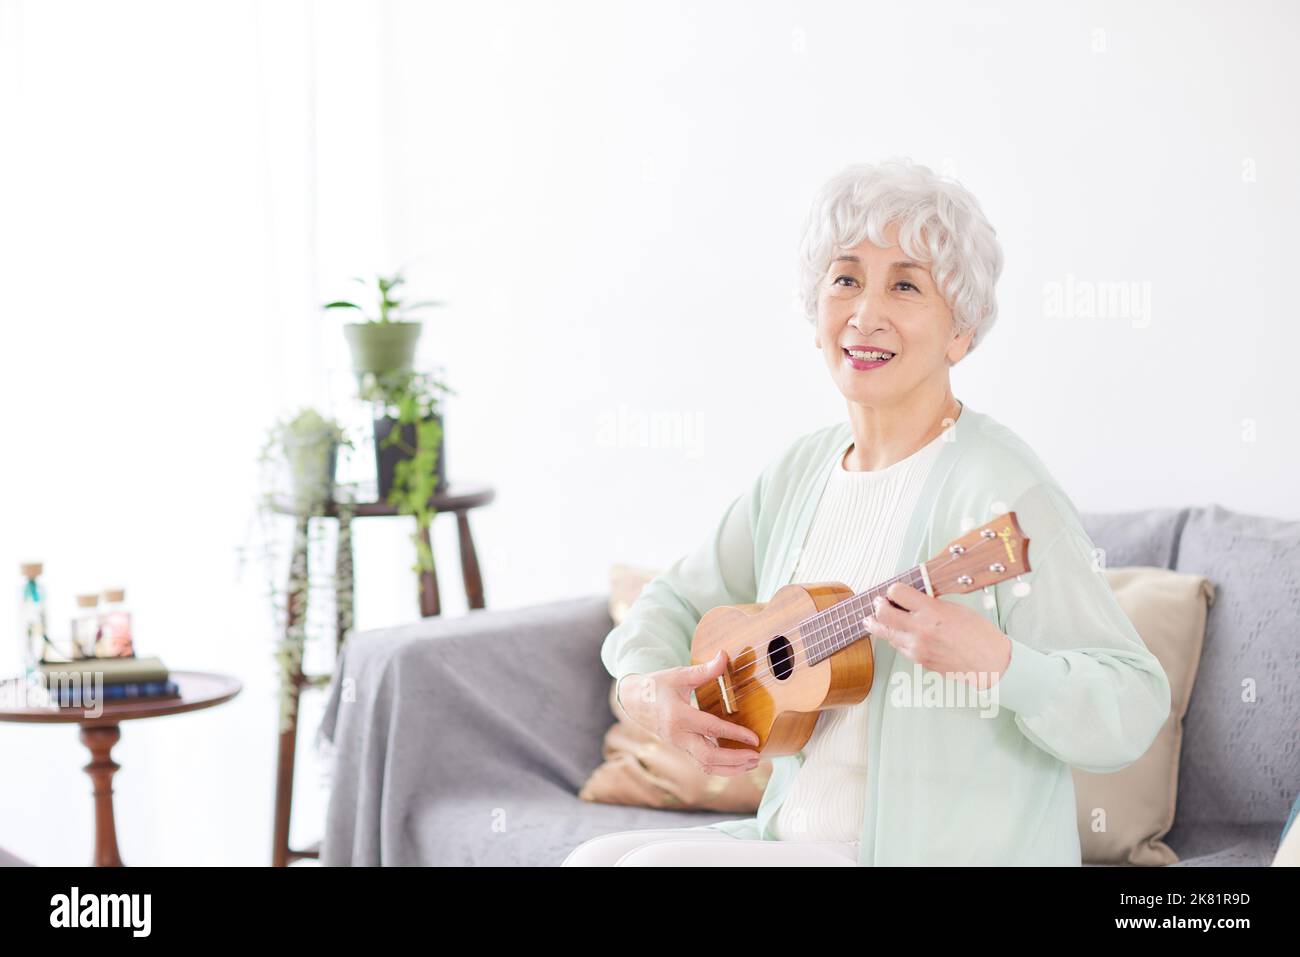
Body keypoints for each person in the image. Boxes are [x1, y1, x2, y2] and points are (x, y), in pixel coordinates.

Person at [563, 158, 1171, 867]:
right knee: (594, 859)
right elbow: (668, 601)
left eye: (906, 285)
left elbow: (1132, 701)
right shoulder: (800, 471)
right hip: (792, 839)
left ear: (961, 333)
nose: (865, 312)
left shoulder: (1002, 489)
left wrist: (1003, 663)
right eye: (846, 278)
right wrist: (645, 693)